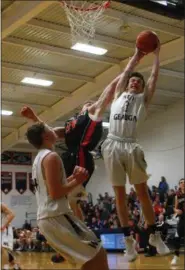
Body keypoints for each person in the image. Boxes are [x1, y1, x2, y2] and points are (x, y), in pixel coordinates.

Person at [101, 41, 170, 261]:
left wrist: (156, 56)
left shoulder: (143, 99)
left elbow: (153, 78)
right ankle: (128, 241)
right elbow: (125, 74)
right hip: (112, 144)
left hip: (131, 145)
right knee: (119, 195)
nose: (134, 82)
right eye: (132, 80)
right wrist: (135, 56)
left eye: (138, 82)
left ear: (141, 87)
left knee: (142, 194)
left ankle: (154, 234)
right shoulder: (118, 94)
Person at [25, 121, 110, 270]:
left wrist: (73, 178)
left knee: (89, 260)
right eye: (49, 128)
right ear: (46, 136)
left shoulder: (39, 158)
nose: (53, 130)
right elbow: (56, 192)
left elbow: (54, 187)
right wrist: (77, 180)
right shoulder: (51, 157)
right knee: (97, 254)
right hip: (56, 216)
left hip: (51, 216)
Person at [1, 203, 21, 270]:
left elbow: (12, 214)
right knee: (5, 250)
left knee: (3, 248)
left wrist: (4, 225)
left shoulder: (1, 205)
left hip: (5, 230)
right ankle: (16, 266)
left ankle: (5, 268)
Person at [171, 178, 185, 265]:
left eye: (184, 182)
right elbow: (174, 208)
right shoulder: (177, 196)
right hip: (182, 218)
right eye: (181, 182)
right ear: (179, 185)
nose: (183, 184)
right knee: (177, 238)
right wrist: (176, 211)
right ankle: (176, 256)